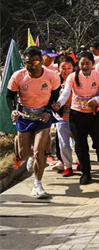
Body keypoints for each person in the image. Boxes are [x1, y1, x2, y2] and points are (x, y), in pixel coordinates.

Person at [7, 46, 61, 199]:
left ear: (42, 61)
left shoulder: (52, 76)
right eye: (27, 63)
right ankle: (31, 157)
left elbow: (54, 95)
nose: (31, 66)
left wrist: (48, 111)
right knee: (25, 154)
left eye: (34, 62)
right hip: (24, 116)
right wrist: (13, 110)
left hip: (42, 117)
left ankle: (38, 184)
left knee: (39, 151)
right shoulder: (18, 76)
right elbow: (9, 96)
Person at [52, 51, 99, 185]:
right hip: (77, 114)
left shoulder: (98, 76)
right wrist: (59, 103)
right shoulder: (73, 77)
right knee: (80, 144)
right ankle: (86, 173)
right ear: (78, 64)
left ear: (92, 64)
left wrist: (96, 99)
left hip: (95, 113)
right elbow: (66, 92)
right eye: (82, 64)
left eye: (87, 64)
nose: (85, 66)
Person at [53, 55, 76, 177]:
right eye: (63, 68)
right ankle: (68, 165)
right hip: (61, 116)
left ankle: (82, 161)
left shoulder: (78, 79)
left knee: (78, 142)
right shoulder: (54, 80)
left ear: (73, 68)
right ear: (58, 68)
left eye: (69, 67)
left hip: (77, 114)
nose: (66, 71)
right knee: (64, 143)